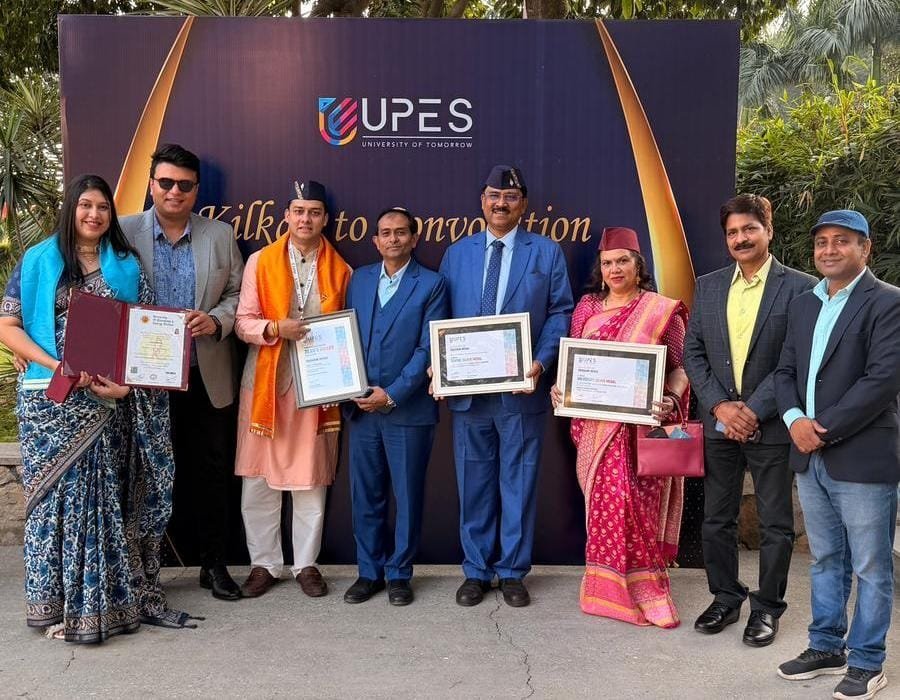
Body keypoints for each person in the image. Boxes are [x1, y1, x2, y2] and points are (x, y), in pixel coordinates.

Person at [0, 174, 178, 641]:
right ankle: (53, 604)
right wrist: (54, 363)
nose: (94, 215)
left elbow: (147, 337)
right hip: (48, 402)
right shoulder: (38, 260)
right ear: (71, 209)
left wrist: (126, 387)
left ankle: (102, 604)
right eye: (85, 205)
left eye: (102, 207)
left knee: (99, 501)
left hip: (105, 405)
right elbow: (8, 325)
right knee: (51, 503)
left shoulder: (126, 265)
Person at [775, 210, 900, 700]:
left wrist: (819, 430)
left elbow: (882, 380)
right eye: (822, 241)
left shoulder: (888, 302)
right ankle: (826, 647)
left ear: (865, 248)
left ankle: (867, 662)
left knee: (871, 566)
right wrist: (793, 420)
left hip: (861, 457)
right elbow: (785, 371)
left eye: (842, 241)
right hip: (810, 456)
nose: (829, 249)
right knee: (825, 558)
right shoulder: (803, 305)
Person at [683, 194, 816, 646]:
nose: (740, 238)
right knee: (716, 519)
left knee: (776, 523)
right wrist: (721, 407)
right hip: (719, 423)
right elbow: (693, 353)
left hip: (772, 424)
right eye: (732, 232)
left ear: (768, 231)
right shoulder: (709, 285)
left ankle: (767, 608)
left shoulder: (800, 287)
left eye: (749, 229)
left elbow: (794, 359)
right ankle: (725, 597)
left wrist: (754, 409)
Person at [438, 165, 573, 608]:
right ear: (482, 201)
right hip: (469, 395)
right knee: (474, 484)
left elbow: (560, 312)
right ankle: (476, 571)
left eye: (510, 197)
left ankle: (513, 571)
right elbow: (440, 318)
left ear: (523, 204)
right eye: (494, 196)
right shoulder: (457, 253)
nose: (501, 204)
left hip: (521, 391)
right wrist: (440, 366)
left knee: (519, 482)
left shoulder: (546, 252)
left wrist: (540, 362)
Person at [121, 144, 245, 602]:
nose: (175, 191)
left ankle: (214, 565)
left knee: (211, 473)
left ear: (196, 190)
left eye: (185, 185)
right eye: (166, 182)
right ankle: (142, 570)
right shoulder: (122, 232)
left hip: (203, 374)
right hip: (142, 380)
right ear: (151, 184)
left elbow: (239, 294)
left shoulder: (220, 234)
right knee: (141, 475)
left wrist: (215, 320)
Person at [550, 226, 689, 628]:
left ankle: (646, 587)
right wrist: (561, 389)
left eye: (623, 261)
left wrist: (671, 398)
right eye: (608, 262)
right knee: (606, 505)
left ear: (638, 265)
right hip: (595, 429)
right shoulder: (587, 308)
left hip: (641, 430)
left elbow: (681, 368)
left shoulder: (660, 311)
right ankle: (604, 590)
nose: (615, 269)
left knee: (635, 505)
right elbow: (575, 362)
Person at [234, 179, 351, 599]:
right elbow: (242, 322)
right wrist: (273, 328)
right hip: (265, 385)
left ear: (325, 219)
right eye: (299, 211)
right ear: (286, 216)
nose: (306, 219)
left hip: (316, 388)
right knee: (258, 480)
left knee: (310, 479)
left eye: (314, 212)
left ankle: (306, 564)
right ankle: (264, 563)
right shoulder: (260, 262)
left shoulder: (341, 270)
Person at [342, 207, 448, 606]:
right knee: (366, 496)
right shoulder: (360, 278)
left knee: (407, 496)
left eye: (401, 232)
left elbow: (427, 348)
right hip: (362, 409)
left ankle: (400, 573)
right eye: (385, 232)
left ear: (414, 238)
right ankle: (369, 572)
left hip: (407, 410)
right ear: (375, 240)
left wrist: (391, 394)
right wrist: (348, 386)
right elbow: (346, 335)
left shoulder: (432, 284)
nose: (393, 239)